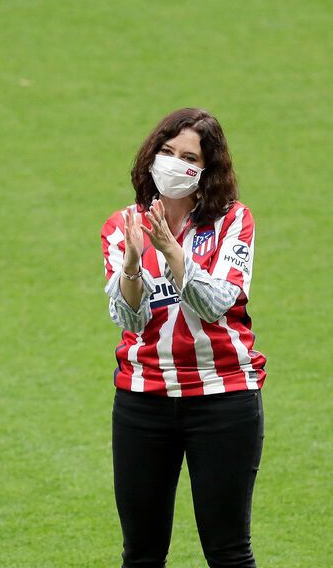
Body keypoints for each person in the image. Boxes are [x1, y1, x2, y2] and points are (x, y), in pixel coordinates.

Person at [100, 108, 267, 568]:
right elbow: (129, 319)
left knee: (229, 552)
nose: (174, 164)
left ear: (207, 171)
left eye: (189, 157)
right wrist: (134, 261)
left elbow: (216, 305)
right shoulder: (121, 226)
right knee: (141, 554)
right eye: (167, 152)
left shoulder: (234, 222)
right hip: (143, 401)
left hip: (223, 399)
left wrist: (171, 251)